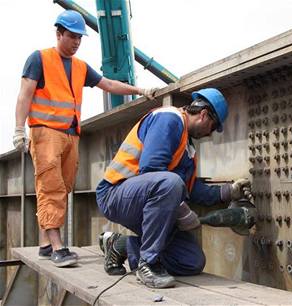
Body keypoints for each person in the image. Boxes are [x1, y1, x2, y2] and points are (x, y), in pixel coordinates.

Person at [12, 10, 157, 268]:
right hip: (45, 133)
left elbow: (109, 85)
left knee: (63, 186)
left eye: (80, 37)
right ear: (58, 33)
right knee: (51, 187)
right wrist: (18, 130)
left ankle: (46, 243)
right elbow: (24, 95)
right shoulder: (39, 59)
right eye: (72, 36)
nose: (76, 42)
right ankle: (58, 247)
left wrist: (140, 90)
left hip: (70, 135)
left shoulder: (80, 67)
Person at [95, 88, 252, 288]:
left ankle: (120, 246)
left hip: (144, 201)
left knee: (191, 261)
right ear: (203, 115)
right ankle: (148, 264)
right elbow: (151, 169)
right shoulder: (168, 119)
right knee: (170, 183)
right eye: (212, 128)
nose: (209, 135)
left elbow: (191, 189)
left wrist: (229, 191)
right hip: (115, 195)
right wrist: (182, 211)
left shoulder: (187, 147)